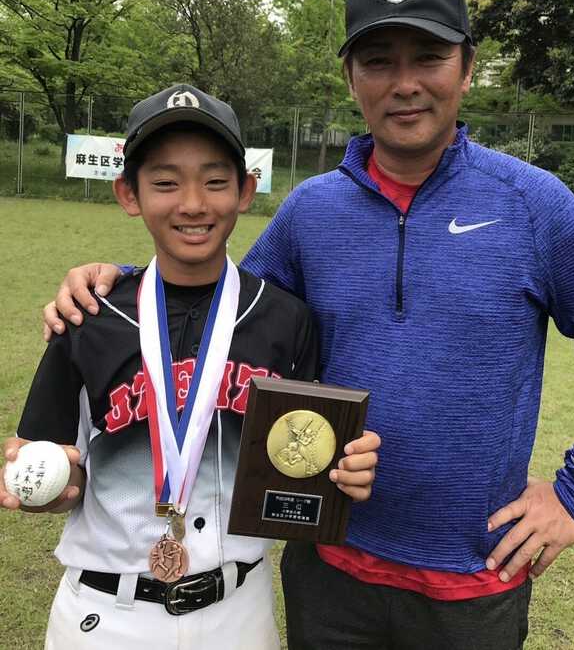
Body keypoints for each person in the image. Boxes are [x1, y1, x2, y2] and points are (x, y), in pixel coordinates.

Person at [37, 0, 574, 650]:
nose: (404, 82)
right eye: (378, 61)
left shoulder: (533, 205)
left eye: (430, 57)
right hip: (328, 570)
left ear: (467, 68)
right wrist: (118, 282)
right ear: (352, 77)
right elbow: (218, 310)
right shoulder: (311, 211)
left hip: (474, 578)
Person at [1, 84, 379, 650]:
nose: (193, 203)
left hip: (238, 610)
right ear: (128, 193)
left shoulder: (284, 319)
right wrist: (52, 483)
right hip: (106, 612)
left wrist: (343, 470)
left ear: (246, 190)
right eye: (165, 182)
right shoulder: (88, 315)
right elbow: (52, 457)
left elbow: (302, 459)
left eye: (216, 180)